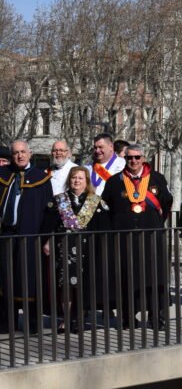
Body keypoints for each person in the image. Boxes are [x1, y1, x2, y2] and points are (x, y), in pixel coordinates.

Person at [101, 144, 172, 330]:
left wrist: (155, 222)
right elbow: (105, 208)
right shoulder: (115, 181)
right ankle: (127, 317)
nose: (133, 161)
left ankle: (157, 317)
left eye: (137, 157)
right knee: (126, 278)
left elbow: (167, 204)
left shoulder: (156, 178)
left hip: (151, 238)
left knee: (154, 278)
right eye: (130, 157)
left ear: (144, 158)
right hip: (124, 240)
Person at [42, 167, 111, 333]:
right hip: (63, 250)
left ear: (86, 181)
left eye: (80, 178)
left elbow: (105, 229)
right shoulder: (59, 201)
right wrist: (48, 242)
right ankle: (66, 319)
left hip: (88, 250)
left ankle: (80, 318)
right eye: (73, 178)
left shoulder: (95, 202)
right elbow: (48, 225)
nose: (76, 181)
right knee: (66, 285)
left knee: (84, 285)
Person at [0, 140, 53, 333]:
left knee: (28, 278)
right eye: (15, 153)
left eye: (23, 152)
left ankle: (31, 323)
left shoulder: (41, 178)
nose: (20, 156)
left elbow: (50, 211)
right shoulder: (3, 175)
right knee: (5, 278)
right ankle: (6, 323)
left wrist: (45, 237)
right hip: (6, 235)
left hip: (31, 237)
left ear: (30, 154)